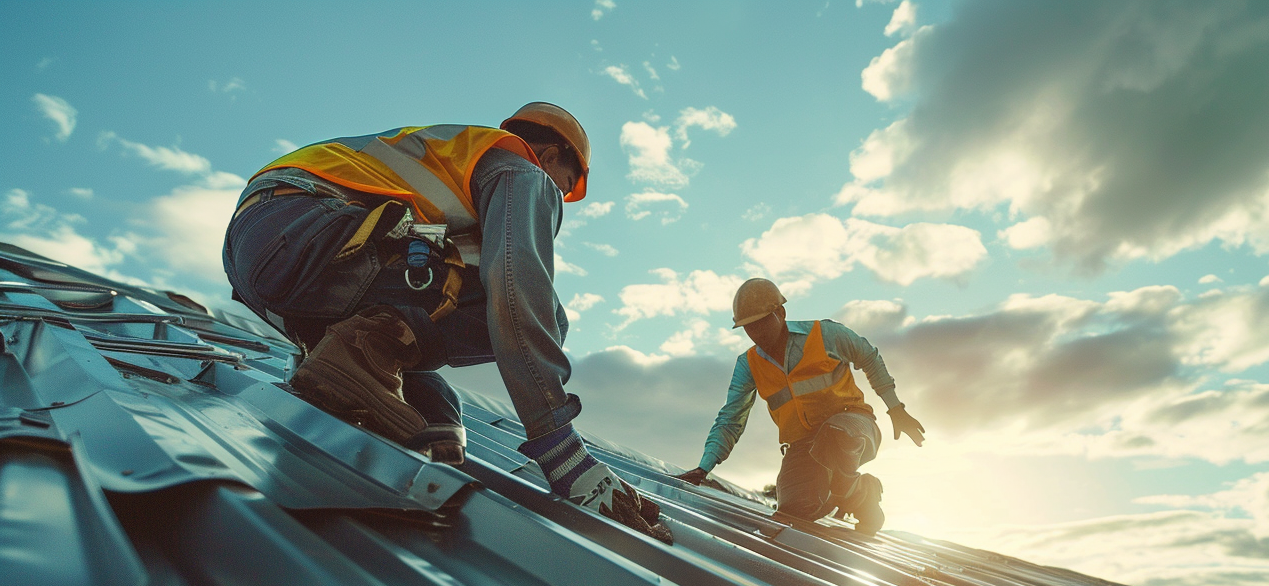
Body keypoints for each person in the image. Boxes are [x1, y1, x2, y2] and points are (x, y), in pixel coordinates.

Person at [222, 103, 669, 542]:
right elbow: (517, 294)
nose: (556, 197)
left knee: (435, 408)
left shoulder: (455, 172)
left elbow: (427, 300)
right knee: (547, 314)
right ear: (550, 156)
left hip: (268, 251)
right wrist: (561, 451)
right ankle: (362, 350)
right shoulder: (521, 171)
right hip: (306, 232)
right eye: (564, 185)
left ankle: (348, 366)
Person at [675, 278, 924, 534]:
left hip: (854, 426)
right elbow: (731, 418)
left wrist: (896, 409)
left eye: (761, 323)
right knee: (793, 509)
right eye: (748, 328)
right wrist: (704, 468)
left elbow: (868, 356)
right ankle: (852, 495)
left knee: (835, 433)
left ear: (780, 313)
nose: (756, 333)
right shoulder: (748, 364)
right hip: (805, 445)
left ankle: (856, 490)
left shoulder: (825, 334)